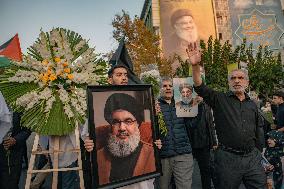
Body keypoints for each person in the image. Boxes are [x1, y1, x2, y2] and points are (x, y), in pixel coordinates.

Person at [187, 42, 266, 188]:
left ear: (247, 83)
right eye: (233, 78)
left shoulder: (252, 104)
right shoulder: (219, 99)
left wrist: (259, 152)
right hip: (227, 159)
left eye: (240, 78)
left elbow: (258, 128)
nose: (236, 80)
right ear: (229, 82)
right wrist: (195, 66)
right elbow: (200, 87)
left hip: (252, 158)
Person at [97, 93, 156, 185]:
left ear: (138, 124)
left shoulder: (152, 153)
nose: (122, 128)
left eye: (128, 121)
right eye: (116, 122)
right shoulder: (98, 156)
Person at [156, 77, 194, 189]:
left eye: (170, 86)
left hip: (183, 154)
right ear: (160, 89)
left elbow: (193, 126)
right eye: (164, 86)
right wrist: (152, 114)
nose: (168, 88)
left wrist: (197, 106)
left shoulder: (182, 103)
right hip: (163, 157)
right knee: (163, 187)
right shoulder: (154, 106)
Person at [0, 91, 32, 189]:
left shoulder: (19, 105)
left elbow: (27, 129)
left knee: (10, 184)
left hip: (13, 154)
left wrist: (15, 140)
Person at [187, 96, 217, 189]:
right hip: (189, 145)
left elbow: (210, 124)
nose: (198, 97)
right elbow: (189, 124)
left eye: (200, 95)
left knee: (206, 171)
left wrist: (214, 142)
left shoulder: (206, 106)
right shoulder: (186, 106)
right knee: (185, 172)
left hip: (204, 144)